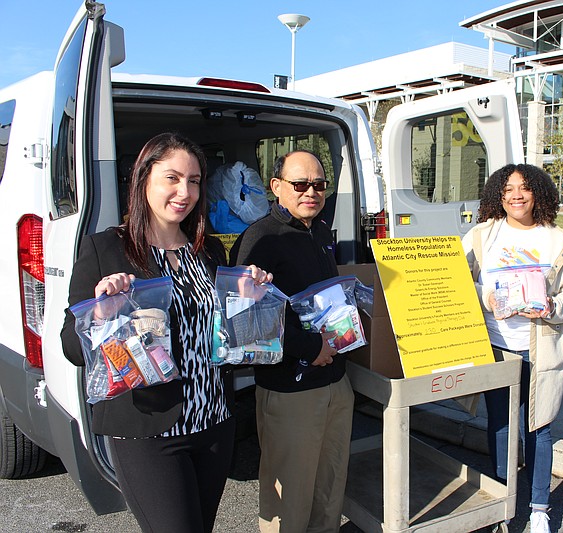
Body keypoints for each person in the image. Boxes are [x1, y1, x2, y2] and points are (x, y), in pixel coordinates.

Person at [61, 132, 271, 533]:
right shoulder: (105, 249)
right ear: (143, 180)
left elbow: (226, 338)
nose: (184, 192)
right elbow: (72, 346)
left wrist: (246, 297)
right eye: (172, 178)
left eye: (193, 181)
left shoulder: (208, 250)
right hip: (150, 429)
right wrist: (103, 310)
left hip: (213, 421)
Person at [230, 150, 353, 533]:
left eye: (319, 184)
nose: (311, 192)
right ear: (277, 187)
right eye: (300, 184)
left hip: (334, 383)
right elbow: (244, 322)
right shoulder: (260, 239)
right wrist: (308, 348)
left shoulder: (317, 230)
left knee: (329, 493)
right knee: (289, 503)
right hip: (292, 392)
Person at [462, 164, 563, 533]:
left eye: (524, 188)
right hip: (494, 347)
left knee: (539, 428)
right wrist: (486, 297)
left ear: (539, 194)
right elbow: (455, 280)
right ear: (497, 196)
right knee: (500, 425)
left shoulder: (557, 239)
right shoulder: (482, 235)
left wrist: (553, 308)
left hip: (539, 350)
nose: (516, 196)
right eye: (508, 189)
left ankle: (538, 508)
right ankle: (502, 500)